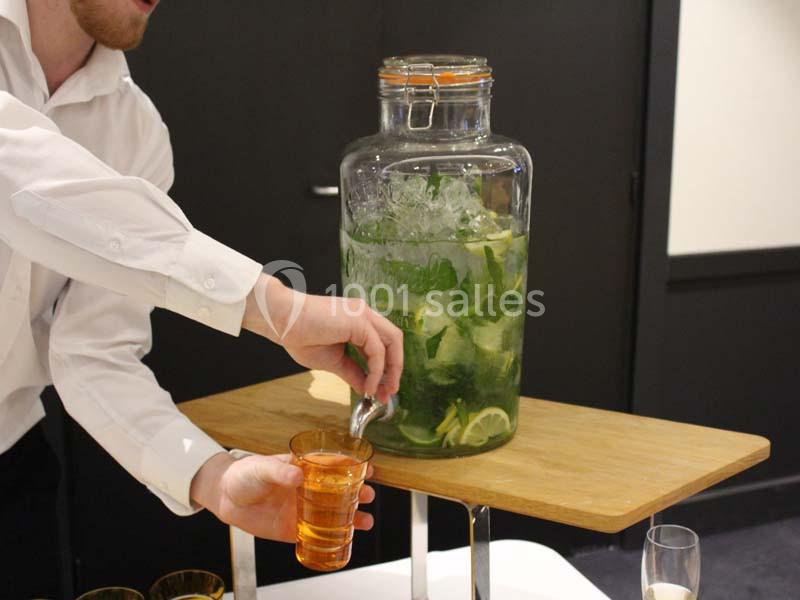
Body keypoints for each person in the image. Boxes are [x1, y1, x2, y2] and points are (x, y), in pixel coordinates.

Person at [0, 0, 403, 596]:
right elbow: (26, 182)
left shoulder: (135, 130)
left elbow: (92, 352)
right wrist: (276, 308)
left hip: (13, 475)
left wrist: (213, 475)